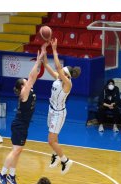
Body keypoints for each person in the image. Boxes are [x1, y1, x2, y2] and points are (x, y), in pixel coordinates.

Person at [0, 46, 46, 184]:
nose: (28, 82)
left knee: (18, 150)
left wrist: (40, 61)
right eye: (25, 82)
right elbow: (32, 76)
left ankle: (11, 175)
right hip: (19, 125)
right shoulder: (24, 93)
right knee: (15, 150)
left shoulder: (28, 90)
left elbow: (33, 77)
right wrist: (39, 60)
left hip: (23, 125)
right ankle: (1, 174)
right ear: (22, 86)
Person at [42, 39, 81, 174]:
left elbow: (58, 67)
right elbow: (47, 65)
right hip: (51, 110)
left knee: (50, 141)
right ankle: (56, 156)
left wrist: (54, 49)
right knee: (54, 139)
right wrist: (43, 52)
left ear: (67, 76)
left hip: (59, 113)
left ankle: (65, 160)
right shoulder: (59, 78)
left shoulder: (68, 84)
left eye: (63, 73)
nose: (60, 73)